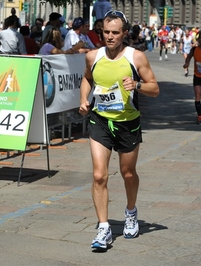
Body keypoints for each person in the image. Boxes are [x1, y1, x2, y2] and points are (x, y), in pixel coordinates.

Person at [78, 10, 159, 250]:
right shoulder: (93, 56)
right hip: (100, 120)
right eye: (106, 32)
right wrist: (84, 99)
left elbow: (155, 89)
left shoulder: (137, 57)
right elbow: (87, 79)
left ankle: (131, 212)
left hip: (128, 122)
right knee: (99, 175)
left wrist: (138, 85)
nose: (110, 37)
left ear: (124, 33)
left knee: (128, 173)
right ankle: (104, 228)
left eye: (115, 32)